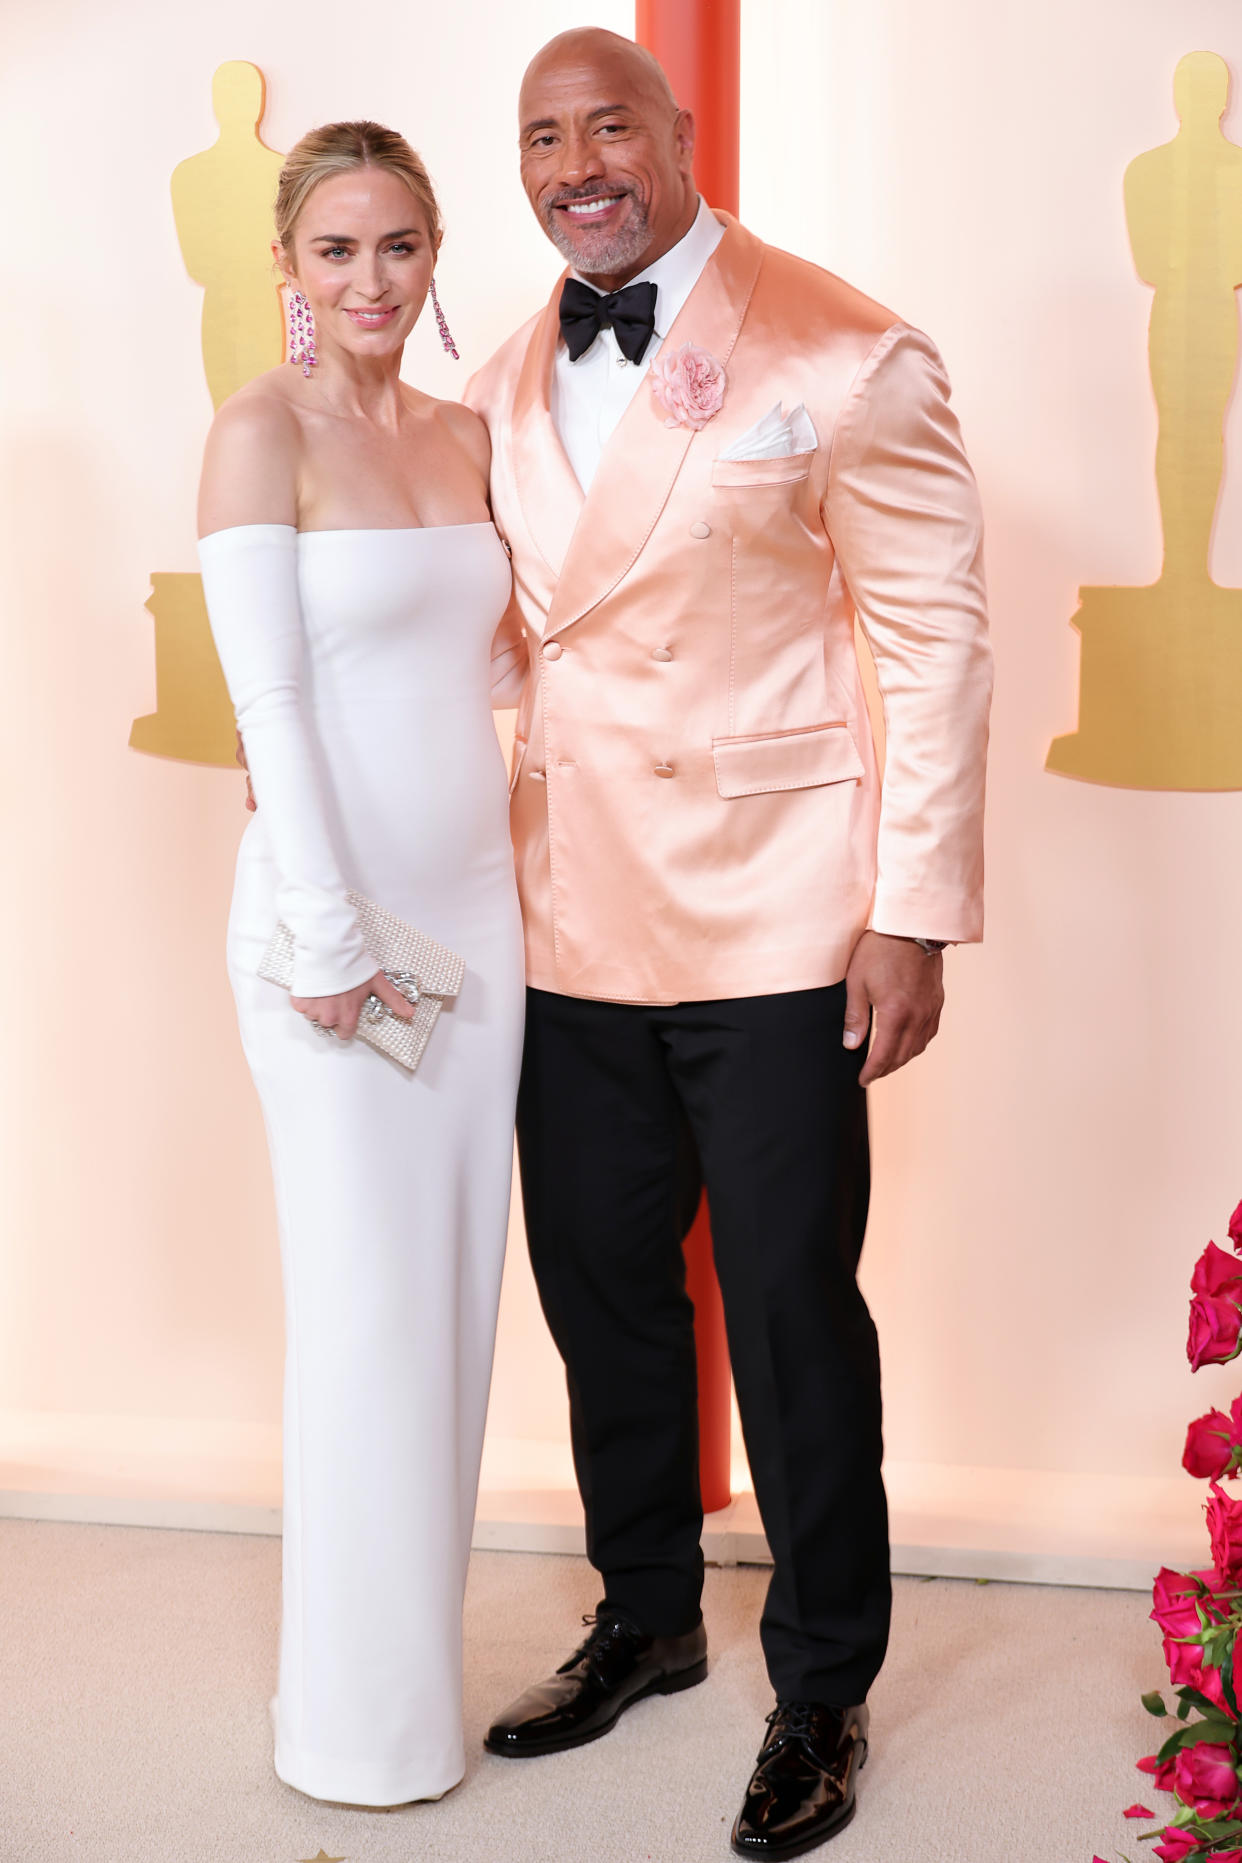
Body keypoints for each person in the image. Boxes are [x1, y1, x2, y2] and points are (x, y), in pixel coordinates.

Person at [465, 28, 992, 1858]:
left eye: (610, 123)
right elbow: (495, 641)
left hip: (778, 912)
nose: (576, 161)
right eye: (542, 136)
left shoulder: (841, 342)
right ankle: (644, 1615)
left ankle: (824, 1687)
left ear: (679, 135)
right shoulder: (492, 370)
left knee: (784, 1309)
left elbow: (934, 637)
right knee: (600, 1292)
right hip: (562, 908)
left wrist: (910, 910)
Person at [196, 121, 525, 1808]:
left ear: (433, 252)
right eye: (337, 251)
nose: (372, 278)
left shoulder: (470, 436)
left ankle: (411, 1695)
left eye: (399, 245)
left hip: (476, 930)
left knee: (451, 1313)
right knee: (363, 1316)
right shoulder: (257, 433)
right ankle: (350, 1729)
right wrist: (325, 940)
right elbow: (268, 707)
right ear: (290, 269)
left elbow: (518, 668)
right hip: (335, 944)